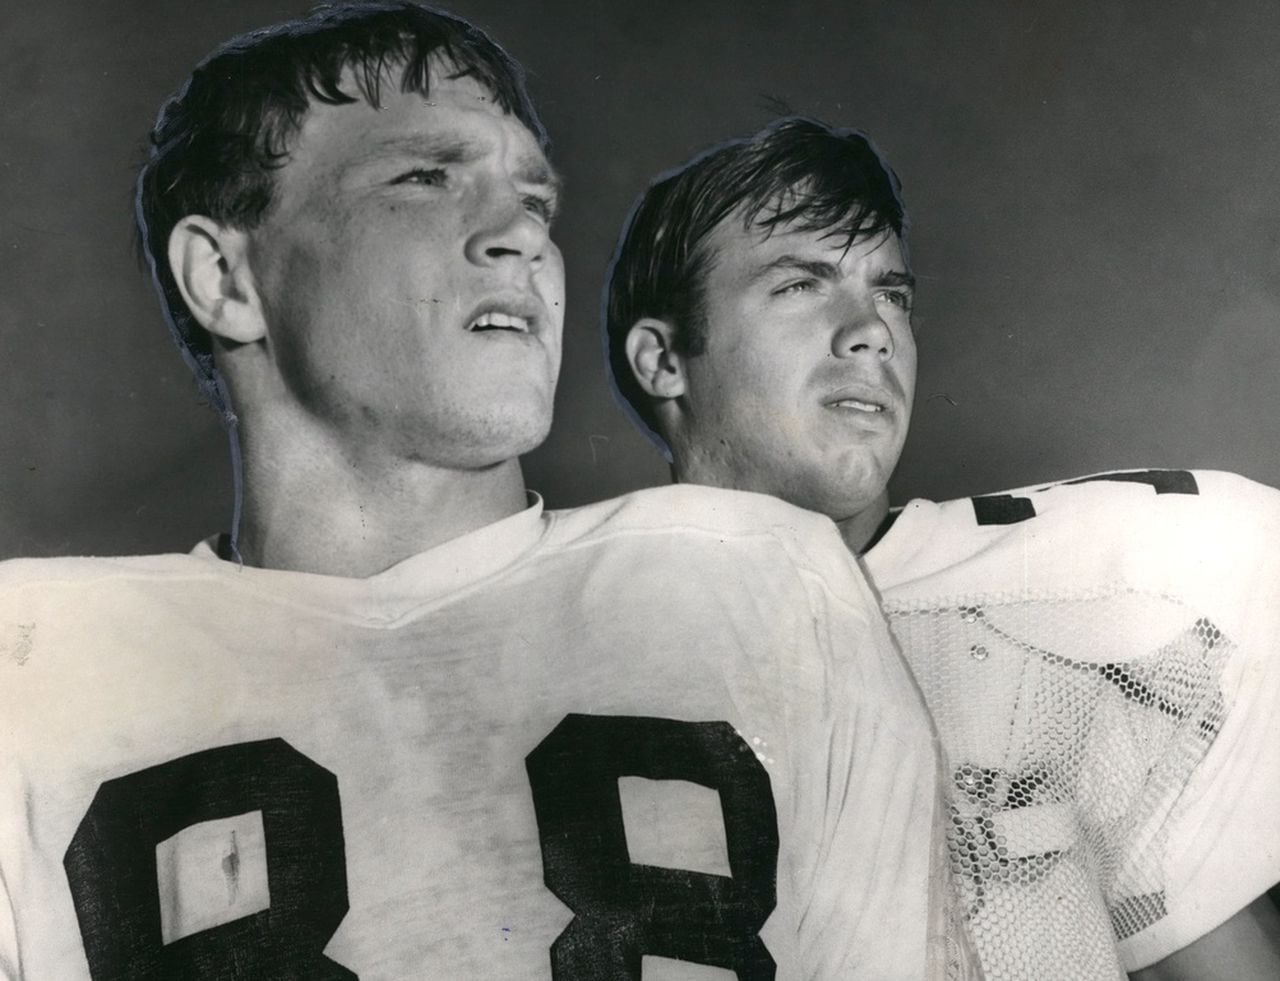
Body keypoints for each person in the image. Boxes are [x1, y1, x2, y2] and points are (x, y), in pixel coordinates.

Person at [0, 7, 960, 979]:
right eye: (424, 177)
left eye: (535, 202)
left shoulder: (758, 576)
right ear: (225, 276)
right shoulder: (32, 669)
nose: (519, 237)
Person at [605, 116, 1280, 981]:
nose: (872, 330)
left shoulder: (1066, 636)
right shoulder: (553, 648)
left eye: (892, 293)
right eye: (801, 284)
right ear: (664, 359)